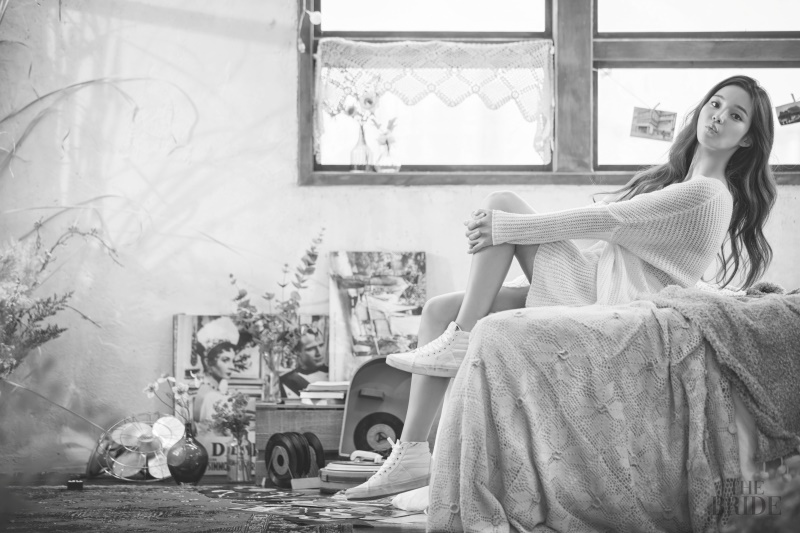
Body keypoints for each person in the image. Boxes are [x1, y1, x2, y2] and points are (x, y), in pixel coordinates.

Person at [344, 75, 777, 500]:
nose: (719, 116)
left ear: (747, 141)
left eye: (736, 116)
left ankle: (461, 338)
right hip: (594, 279)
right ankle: (411, 454)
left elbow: (605, 222)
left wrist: (506, 229)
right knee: (438, 311)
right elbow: (606, 244)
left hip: (611, 302)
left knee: (501, 206)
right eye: (716, 103)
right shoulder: (680, 183)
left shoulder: (708, 194)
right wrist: (515, 261)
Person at [193, 316, 239, 424]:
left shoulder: (207, 389)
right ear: (208, 362)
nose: (232, 367)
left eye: (233, 361)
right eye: (225, 360)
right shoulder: (212, 397)